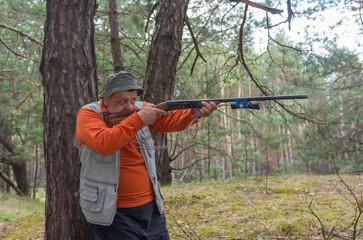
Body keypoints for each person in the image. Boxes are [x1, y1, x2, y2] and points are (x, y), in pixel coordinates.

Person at [74, 71, 217, 239]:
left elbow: (169, 119)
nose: (130, 106)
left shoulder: (140, 110)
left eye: (133, 100)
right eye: (123, 101)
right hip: (111, 214)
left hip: (151, 209)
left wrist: (194, 113)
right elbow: (103, 144)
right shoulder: (89, 114)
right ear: (106, 100)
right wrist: (139, 119)